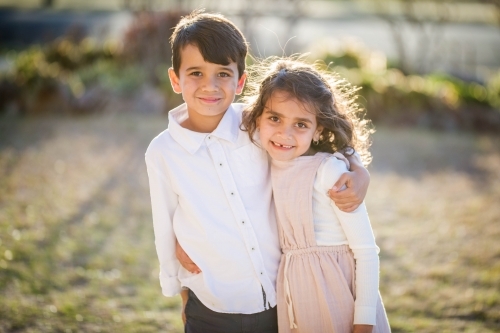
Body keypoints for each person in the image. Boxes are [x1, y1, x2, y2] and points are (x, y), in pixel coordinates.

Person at [145, 10, 371, 333]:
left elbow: (316, 133)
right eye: (196, 72)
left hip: (278, 302)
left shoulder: (258, 125)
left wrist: (359, 168)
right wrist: (179, 289)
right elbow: (163, 225)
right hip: (209, 306)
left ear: (240, 81)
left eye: (222, 74)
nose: (209, 86)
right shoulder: (162, 152)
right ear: (175, 78)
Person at [241, 57, 391, 333]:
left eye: (300, 124)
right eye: (275, 118)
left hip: (339, 298)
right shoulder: (259, 157)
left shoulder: (329, 172)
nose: (284, 134)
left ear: (318, 128)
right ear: (257, 116)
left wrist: (364, 323)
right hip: (296, 299)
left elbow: (367, 253)